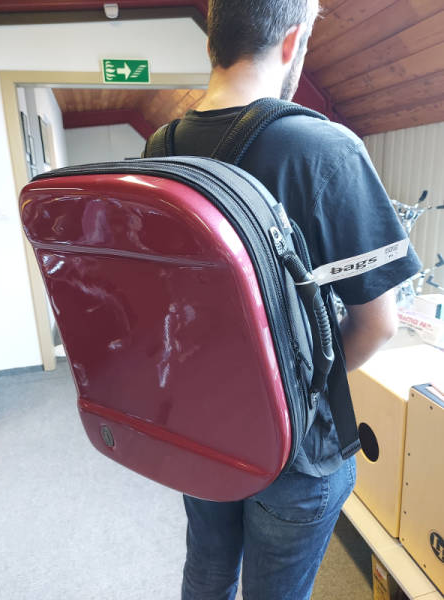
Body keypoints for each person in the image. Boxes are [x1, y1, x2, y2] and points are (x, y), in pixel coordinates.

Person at [150, 1, 421, 598]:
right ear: (293, 39)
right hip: (294, 449)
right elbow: (376, 324)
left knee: (207, 571)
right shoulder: (324, 148)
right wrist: (296, 393)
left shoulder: (159, 146)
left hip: (202, 423)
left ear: (212, 42)